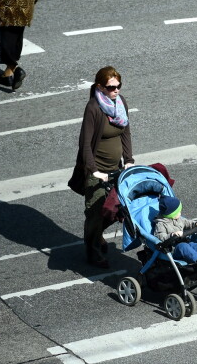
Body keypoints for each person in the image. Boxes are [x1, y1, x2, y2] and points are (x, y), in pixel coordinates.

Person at [69, 66, 135, 268]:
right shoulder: (93, 108)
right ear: (100, 87)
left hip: (116, 167)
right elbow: (85, 144)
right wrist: (94, 171)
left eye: (118, 86)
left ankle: (96, 235)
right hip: (97, 170)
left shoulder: (120, 102)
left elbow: (125, 133)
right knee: (96, 212)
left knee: (117, 209)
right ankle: (92, 249)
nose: (116, 90)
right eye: (111, 87)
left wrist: (129, 159)